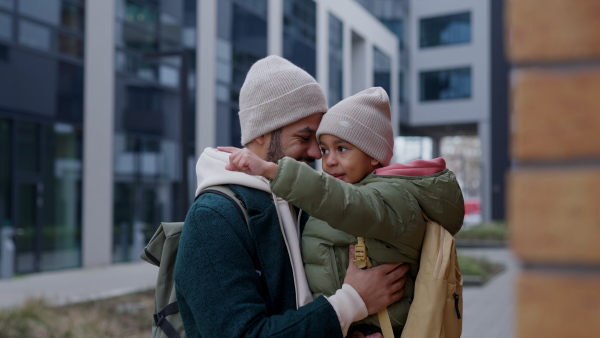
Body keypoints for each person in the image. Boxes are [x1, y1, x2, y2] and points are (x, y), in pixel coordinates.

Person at [174, 56, 409, 338]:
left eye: (319, 143)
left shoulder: (304, 201)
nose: (316, 154)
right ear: (261, 133)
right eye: (303, 137)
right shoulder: (213, 218)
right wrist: (352, 302)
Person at [222, 87, 465, 336]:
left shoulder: (392, 197)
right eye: (325, 149)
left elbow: (347, 204)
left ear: (374, 155)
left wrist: (272, 171)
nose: (328, 160)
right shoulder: (350, 191)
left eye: (342, 148)